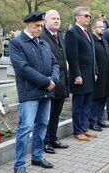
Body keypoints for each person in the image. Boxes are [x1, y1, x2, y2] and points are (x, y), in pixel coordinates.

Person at [10, 11, 59, 173]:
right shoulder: (17, 43)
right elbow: (23, 68)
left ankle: (37, 157)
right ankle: (19, 165)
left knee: (42, 125)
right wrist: (46, 82)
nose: (39, 29)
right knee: (25, 128)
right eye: (37, 26)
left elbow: (55, 63)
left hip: (46, 92)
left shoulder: (43, 42)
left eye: (41, 26)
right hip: (30, 93)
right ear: (28, 24)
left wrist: (54, 80)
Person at [65, 6, 97, 141]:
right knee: (78, 105)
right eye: (86, 16)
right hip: (80, 76)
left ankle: (84, 128)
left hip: (89, 75)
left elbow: (92, 55)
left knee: (87, 104)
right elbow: (72, 57)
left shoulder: (87, 33)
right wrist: (77, 74)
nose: (88, 18)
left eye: (89, 16)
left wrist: (95, 71)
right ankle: (78, 131)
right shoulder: (73, 33)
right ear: (77, 17)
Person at [40, 9, 69, 154]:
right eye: (53, 18)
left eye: (58, 18)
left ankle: (53, 138)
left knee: (56, 113)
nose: (57, 21)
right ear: (45, 21)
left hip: (62, 81)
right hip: (49, 82)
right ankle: (45, 142)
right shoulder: (42, 36)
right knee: (47, 114)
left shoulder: (60, 36)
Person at [88, 19, 109, 131]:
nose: (102, 29)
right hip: (97, 75)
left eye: (103, 27)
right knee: (96, 99)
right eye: (100, 27)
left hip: (106, 74)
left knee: (103, 98)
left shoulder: (103, 41)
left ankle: (99, 120)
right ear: (93, 28)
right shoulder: (91, 41)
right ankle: (92, 122)